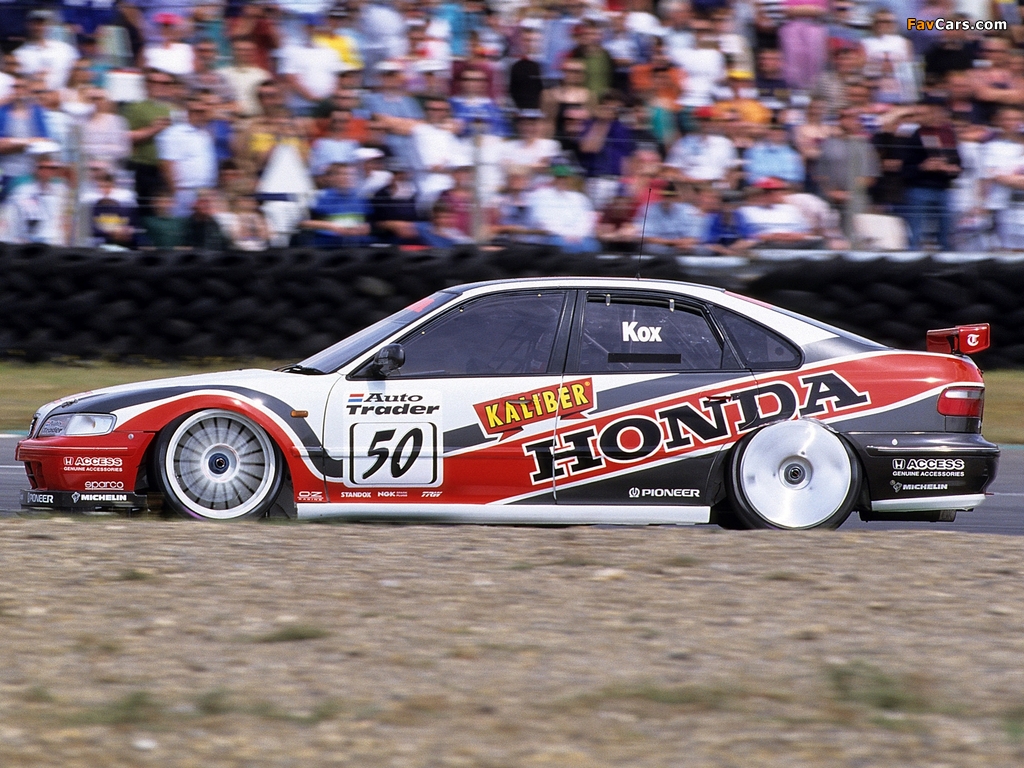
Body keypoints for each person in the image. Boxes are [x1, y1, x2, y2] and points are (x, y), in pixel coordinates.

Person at [901, 100, 961, 251]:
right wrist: (923, 167)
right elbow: (904, 169)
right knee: (915, 233)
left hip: (943, 189)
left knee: (946, 232)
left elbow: (959, 165)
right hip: (919, 188)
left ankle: (946, 261)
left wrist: (950, 169)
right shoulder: (915, 136)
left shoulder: (949, 135)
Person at [156, 95, 219, 217]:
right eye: (195, 111)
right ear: (186, 112)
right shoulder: (174, 134)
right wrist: (177, 193)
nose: (199, 115)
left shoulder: (205, 134)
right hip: (185, 191)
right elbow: (167, 164)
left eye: (202, 111)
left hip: (206, 191)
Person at [526, 159, 600, 252]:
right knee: (563, 245)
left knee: (592, 246)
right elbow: (542, 221)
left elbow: (587, 220)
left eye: (565, 177)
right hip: (553, 236)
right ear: (552, 178)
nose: (562, 181)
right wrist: (566, 235)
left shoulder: (580, 198)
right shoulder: (540, 195)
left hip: (580, 236)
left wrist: (577, 235)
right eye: (558, 177)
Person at [734, 177, 820, 250]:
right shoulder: (745, 211)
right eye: (767, 192)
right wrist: (771, 237)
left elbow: (807, 233)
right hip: (764, 245)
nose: (772, 194)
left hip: (795, 244)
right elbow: (746, 236)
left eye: (776, 190)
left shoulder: (791, 209)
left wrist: (790, 236)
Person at [300, 159, 372, 247]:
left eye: (351, 174)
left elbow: (368, 222)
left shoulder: (361, 198)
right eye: (343, 174)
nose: (347, 177)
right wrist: (331, 226)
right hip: (327, 241)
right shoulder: (320, 197)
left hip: (357, 240)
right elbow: (304, 222)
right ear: (333, 177)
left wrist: (365, 227)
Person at [1, 155, 70, 245]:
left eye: (51, 168)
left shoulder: (62, 191)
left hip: (53, 242)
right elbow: (10, 219)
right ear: (35, 169)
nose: (46, 171)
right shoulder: (22, 191)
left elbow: (65, 221)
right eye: (42, 168)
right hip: (26, 242)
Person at [14, 10, 79, 91]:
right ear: (28, 26)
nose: (38, 27)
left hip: (63, 95)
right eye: (34, 24)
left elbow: (76, 74)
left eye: (41, 24)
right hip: (33, 96)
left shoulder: (66, 49)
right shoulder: (19, 54)